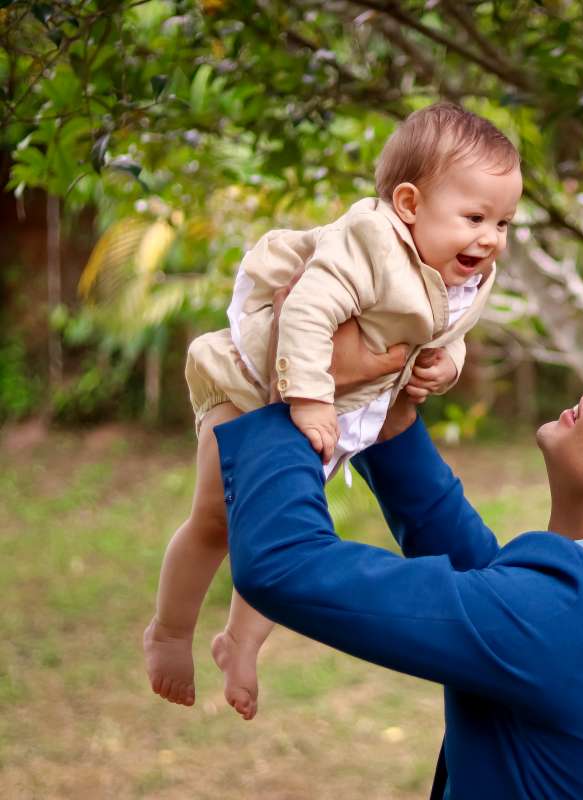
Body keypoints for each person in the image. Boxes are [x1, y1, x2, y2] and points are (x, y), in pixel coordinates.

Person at [211, 304, 583, 796]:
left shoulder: (562, 617)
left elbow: (286, 564)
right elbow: (496, 591)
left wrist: (294, 377)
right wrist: (390, 417)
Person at [143, 102, 523, 720]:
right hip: (248, 381)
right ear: (408, 205)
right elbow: (308, 309)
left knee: (289, 528)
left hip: (336, 413)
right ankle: (166, 631)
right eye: (476, 216)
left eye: (504, 222)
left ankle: (240, 642)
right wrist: (312, 396)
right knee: (215, 520)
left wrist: (446, 364)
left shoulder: (467, 275)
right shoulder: (368, 241)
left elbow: (451, 331)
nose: (490, 237)